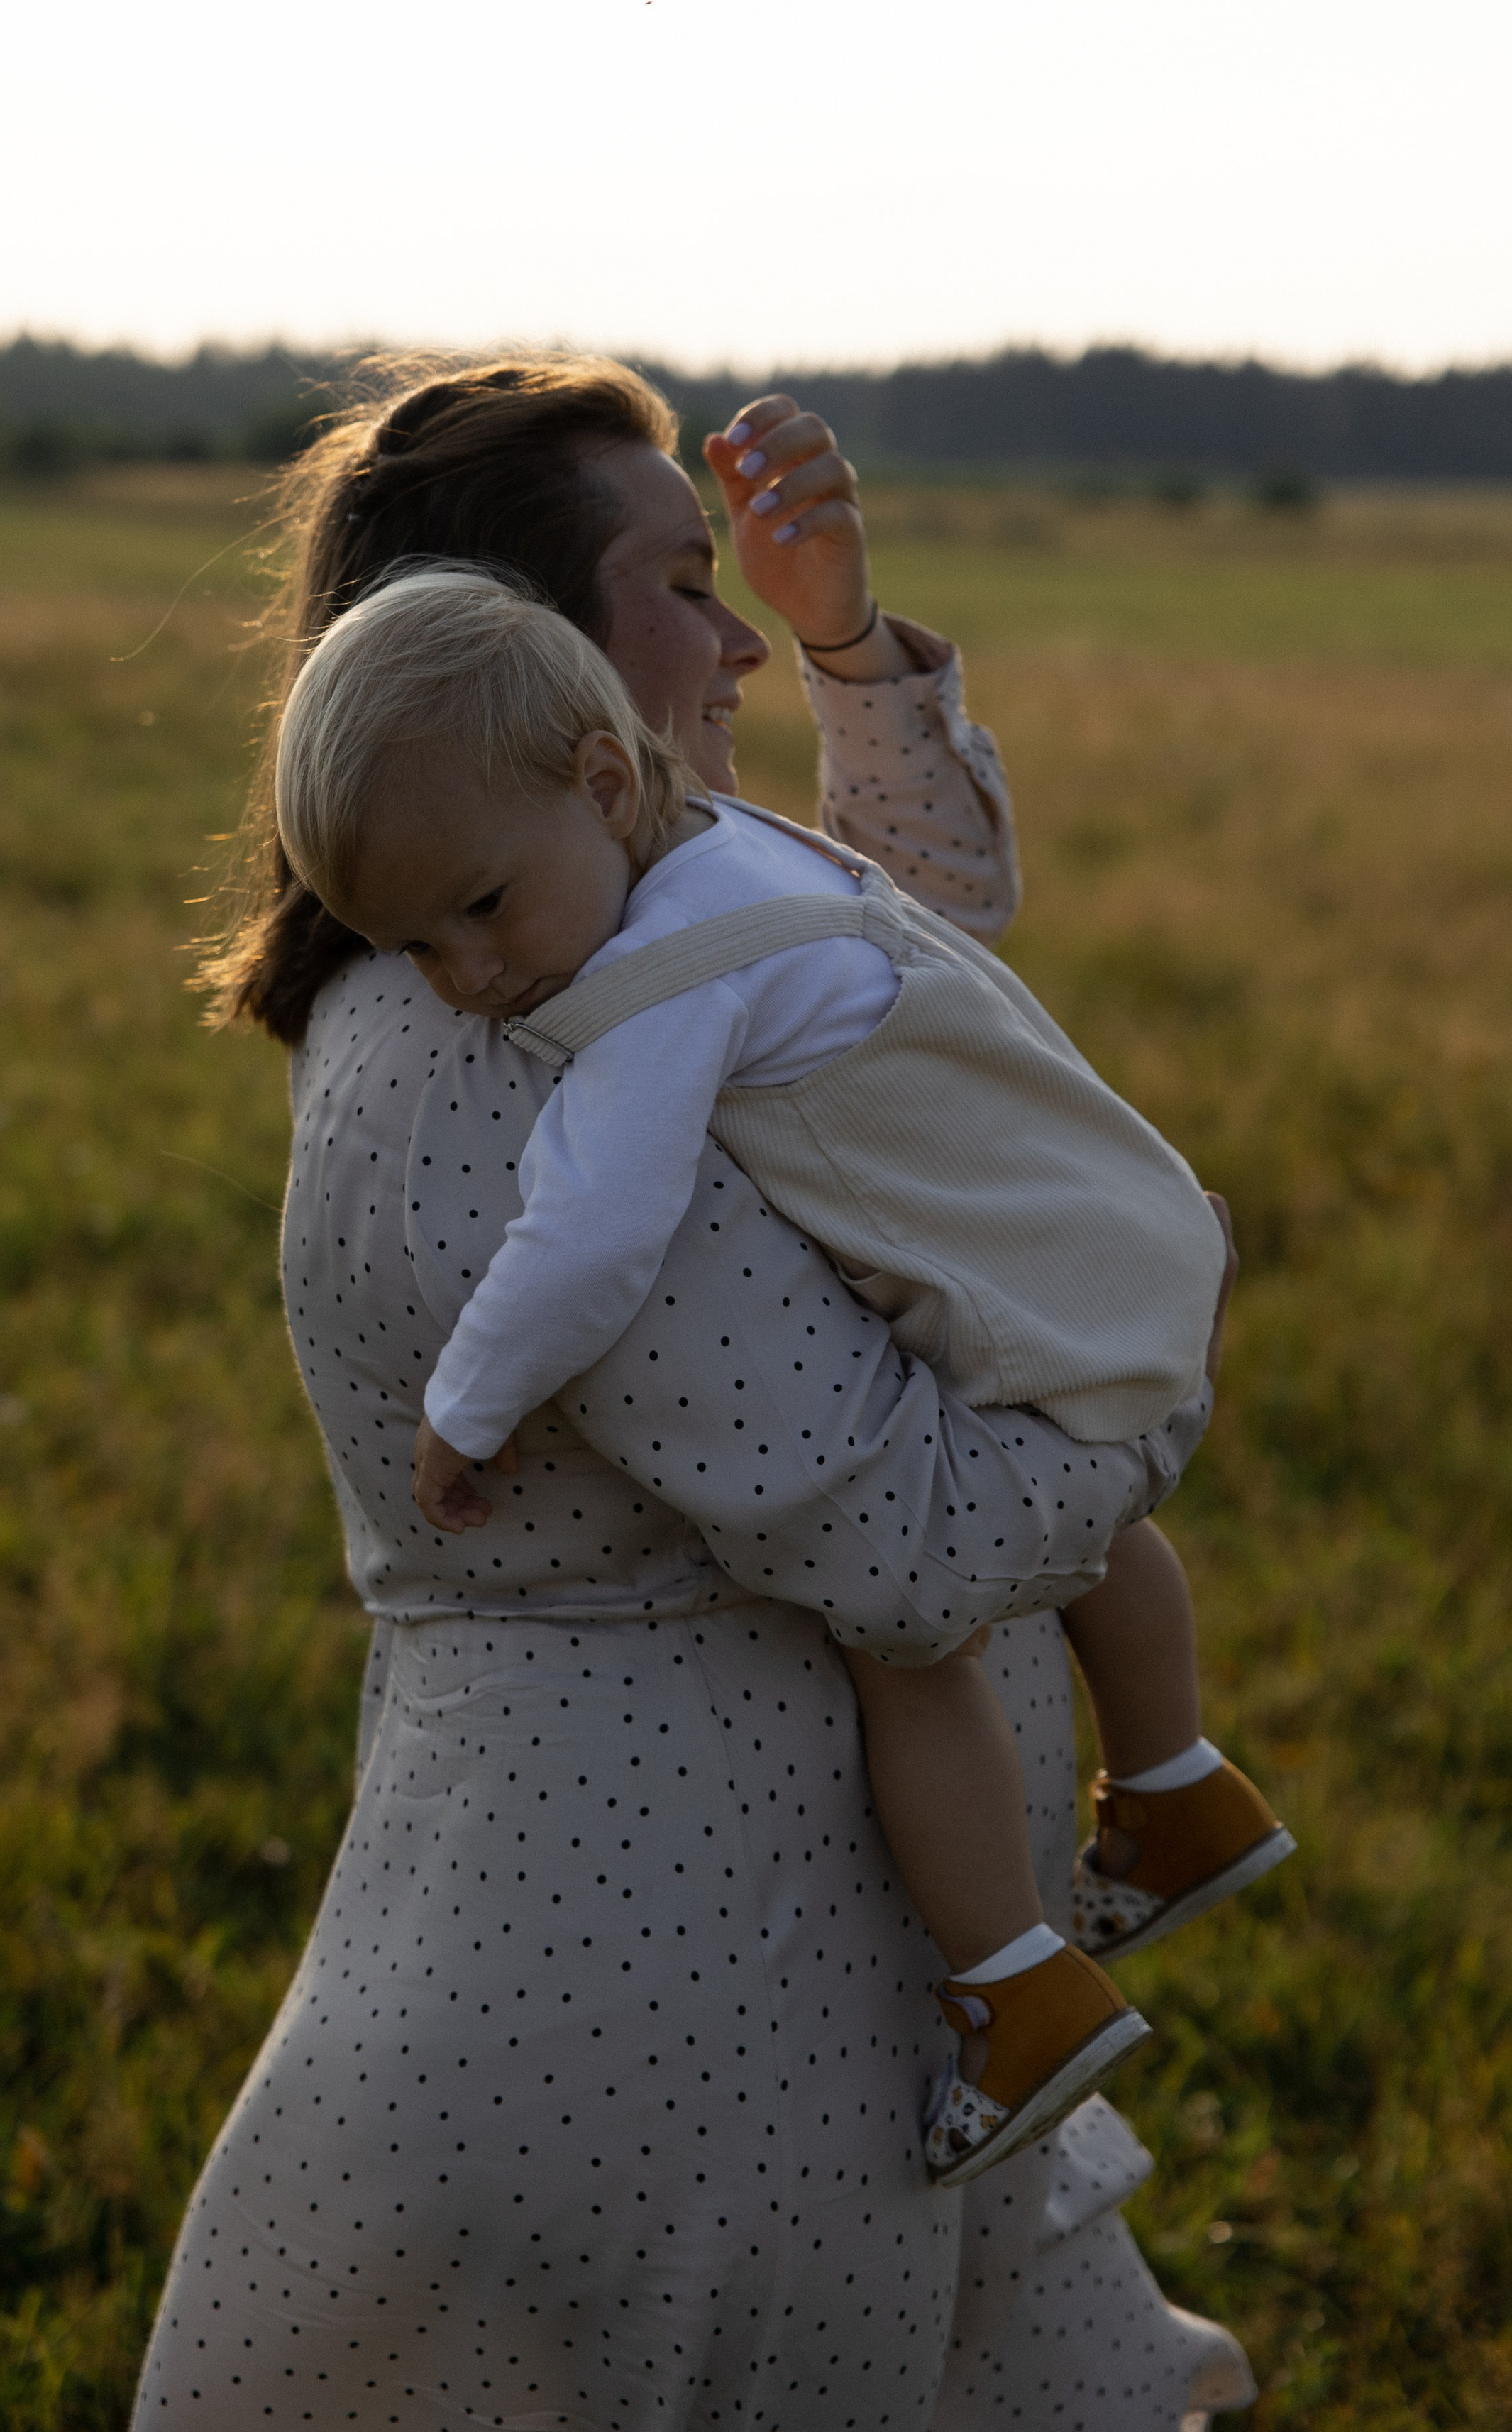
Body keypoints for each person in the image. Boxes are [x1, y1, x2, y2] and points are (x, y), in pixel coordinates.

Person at [133, 357, 1257, 2425]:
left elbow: (897, 936)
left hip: (810, 1985)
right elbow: (912, 1552)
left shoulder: (606, 904)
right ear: (535, 659)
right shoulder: (504, 1036)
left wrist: (849, 637)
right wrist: (1133, 1431)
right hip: (657, 2017)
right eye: (688, 583)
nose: (737, 635)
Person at [270, 566, 1294, 2189]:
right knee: (1093, 1512)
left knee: (908, 1639)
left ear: (602, 785)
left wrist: (465, 1410)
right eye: (413, 944)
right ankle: (1175, 1783)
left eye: (479, 909)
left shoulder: (651, 998)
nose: (463, 978)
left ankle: (1013, 1985)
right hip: (1124, 1265)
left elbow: (588, 1239)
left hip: (1017, 1309)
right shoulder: (736, 852)